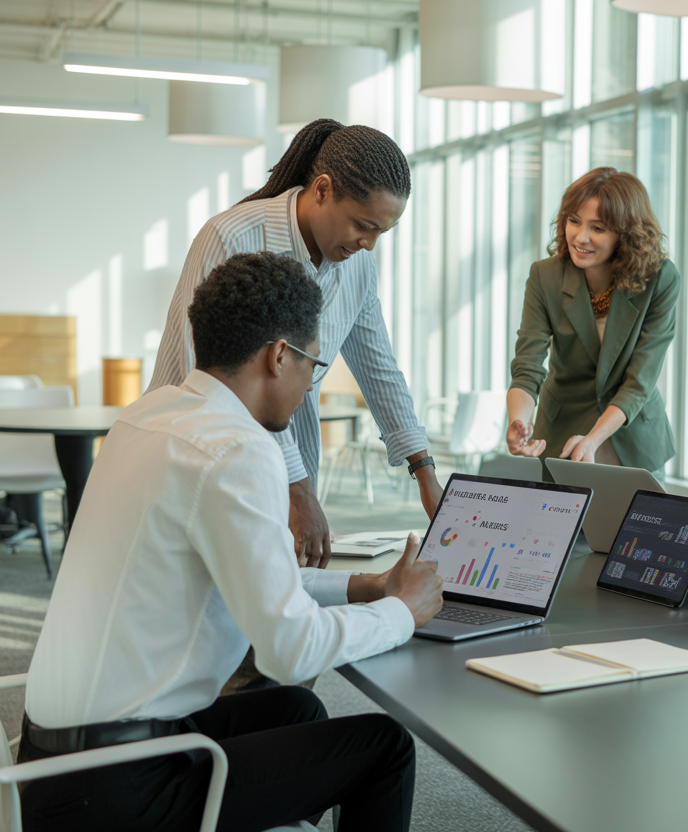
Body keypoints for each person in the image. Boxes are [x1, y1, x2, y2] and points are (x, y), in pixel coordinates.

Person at [18, 252, 442, 832]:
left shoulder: (146, 418)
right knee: (384, 746)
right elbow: (289, 649)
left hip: (49, 767)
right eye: (313, 366)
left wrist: (365, 587)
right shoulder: (238, 450)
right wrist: (403, 612)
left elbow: (249, 570)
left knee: (296, 712)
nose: (308, 385)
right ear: (279, 356)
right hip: (117, 790)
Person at [150, 118, 439, 570]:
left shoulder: (356, 264)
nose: (370, 245)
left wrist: (425, 472)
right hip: (200, 450)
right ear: (322, 190)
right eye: (364, 225)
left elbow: (379, 368)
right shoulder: (233, 237)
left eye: (382, 231)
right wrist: (296, 486)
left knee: (271, 604)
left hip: (285, 465)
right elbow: (215, 382)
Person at [506, 167, 679, 480]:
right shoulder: (544, 276)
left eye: (597, 228)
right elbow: (528, 364)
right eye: (573, 220)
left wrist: (594, 439)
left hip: (633, 437)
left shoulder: (661, 278)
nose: (580, 237)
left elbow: (640, 380)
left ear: (626, 235)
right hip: (562, 434)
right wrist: (518, 420)